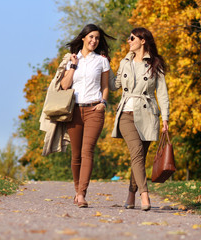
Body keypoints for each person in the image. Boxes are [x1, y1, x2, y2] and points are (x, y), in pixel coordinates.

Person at [109, 27, 169, 211]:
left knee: (139, 159)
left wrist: (165, 118)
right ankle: (145, 196)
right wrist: (105, 67)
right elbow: (114, 85)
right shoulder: (124, 62)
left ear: (143, 41)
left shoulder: (155, 64)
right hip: (126, 114)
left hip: (148, 115)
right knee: (136, 153)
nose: (129, 41)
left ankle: (130, 195)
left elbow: (162, 93)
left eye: (132, 38)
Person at [60, 24, 115, 208]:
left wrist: (103, 103)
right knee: (76, 154)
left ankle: (82, 194)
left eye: (97, 38)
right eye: (91, 37)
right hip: (74, 110)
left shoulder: (102, 61)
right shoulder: (72, 59)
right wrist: (73, 66)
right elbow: (65, 86)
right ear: (83, 37)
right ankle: (77, 191)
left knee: (87, 151)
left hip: (94, 110)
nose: (94, 41)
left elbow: (105, 86)